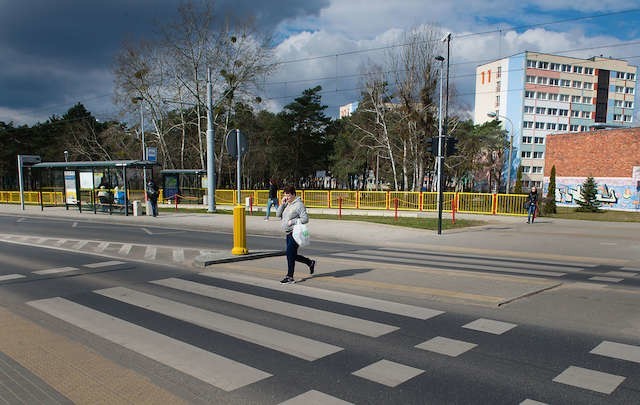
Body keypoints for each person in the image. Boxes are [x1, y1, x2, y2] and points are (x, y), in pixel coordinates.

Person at [276, 185, 316, 283]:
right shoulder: (287, 203)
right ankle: (309, 262)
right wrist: (282, 204)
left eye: (288, 195)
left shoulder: (299, 205)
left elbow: (305, 219)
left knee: (289, 254)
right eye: (285, 195)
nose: (287, 197)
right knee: (291, 255)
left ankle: (290, 276)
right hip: (288, 233)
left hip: (296, 233)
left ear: (293, 194)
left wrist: (293, 221)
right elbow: (278, 215)